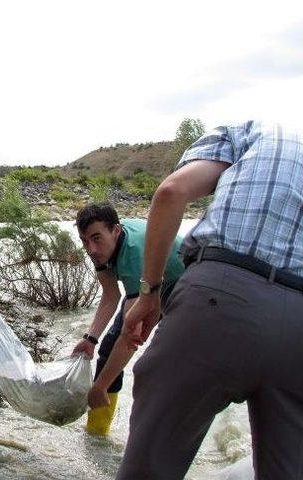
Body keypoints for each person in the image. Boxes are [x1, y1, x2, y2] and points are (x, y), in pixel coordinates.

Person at [116, 121, 303, 479]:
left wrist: (150, 293)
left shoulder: (250, 132)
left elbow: (172, 192)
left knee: (150, 466)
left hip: (220, 296)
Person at [71, 202, 184, 435]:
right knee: (107, 349)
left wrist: (99, 385)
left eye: (96, 238)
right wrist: (90, 339)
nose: (91, 248)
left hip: (185, 283)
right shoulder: (100, 250)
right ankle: (97, 433)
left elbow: (130, 335)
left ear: (115, 230)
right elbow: (111, 296)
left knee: (164, 363)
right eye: (84, 241)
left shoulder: (132, 254)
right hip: (152, 282)